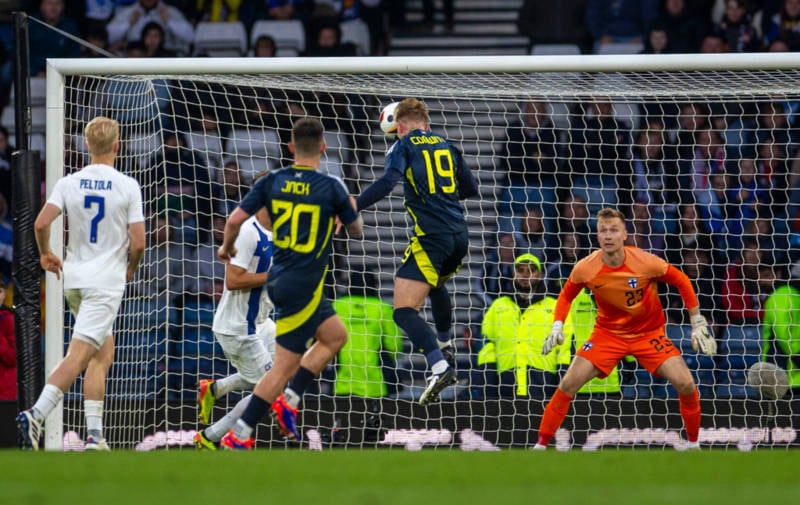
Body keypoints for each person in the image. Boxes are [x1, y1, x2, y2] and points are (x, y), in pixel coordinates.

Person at [217, 117, 362, 449]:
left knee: (335, 336)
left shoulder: (274, 181)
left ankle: (286, 402)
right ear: (323, 148)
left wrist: (226, 247)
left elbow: (235, 219)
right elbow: (357, 231)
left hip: (288, 281)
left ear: (290, 147)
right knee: (282, 369)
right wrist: (347, 207)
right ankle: (240, 433)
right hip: (302, 283)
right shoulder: (332, 186)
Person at [533, 208, 716, 450]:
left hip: (648, 335)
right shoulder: (586, 267)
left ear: (624, 234)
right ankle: (540, 446)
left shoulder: (645, 261)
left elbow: (681, 280)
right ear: (598, 236)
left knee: (686, 384)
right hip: (607, 335)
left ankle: (693, 444)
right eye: (603, 231)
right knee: (568, 384)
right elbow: (566, 295)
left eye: (613, 230)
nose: (608, 236)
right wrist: (557, 325)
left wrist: (697, 321)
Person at [16, 116, 145, 451]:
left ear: (86, 145)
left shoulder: (69, 182)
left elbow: (42, 221)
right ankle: (37, 413)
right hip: (105, 283)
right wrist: (130, 267)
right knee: (79, 354)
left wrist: (46, 253)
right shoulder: (127, 185)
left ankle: (95, 436)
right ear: (118, 145)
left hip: (74, 279)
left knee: (102, 353)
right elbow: (140, 242)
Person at [355, 97, 479, 406]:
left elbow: (388, 182)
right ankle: (446, 342)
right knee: (435, 283)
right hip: (459, 237)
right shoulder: (448, 146)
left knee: (403, 310)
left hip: (431, 236)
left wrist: (353, 205)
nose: (395, 136)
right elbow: (471, 189)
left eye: (394, 131)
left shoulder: (404, 144)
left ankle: (439, 366)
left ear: (401, 125)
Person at [194, 184, 277, 450]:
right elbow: (232, 280)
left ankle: (216, 388)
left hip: (261, 323)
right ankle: (211, 437)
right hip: (239, 329)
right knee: (269, 390)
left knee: (289, 365)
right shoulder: (247, 233)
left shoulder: (279, 231)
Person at [477, 253, 572, 399]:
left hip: (544, 383)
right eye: (520, 270)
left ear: (540, 275)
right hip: (505, 382)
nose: (525, 275)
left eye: (531, 270)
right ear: (513, 274)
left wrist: (563, 384)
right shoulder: (498, 306)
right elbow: (488, 346)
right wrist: (488, 384)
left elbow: (565, 349)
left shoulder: (555, 307)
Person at [332, 268, 404, 398]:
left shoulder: (337, 306)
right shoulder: (382, 307)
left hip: (342, 380)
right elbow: (394, 344)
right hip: (375, 382)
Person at [762, 274, 800, 398]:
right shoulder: (787, 294)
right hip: (788, 376)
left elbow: (784, 334)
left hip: (786, 376)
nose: (760, 279)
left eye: (764, 274)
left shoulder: (782, 294)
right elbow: (785, 334)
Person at [0, 277, 15, 401]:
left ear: (4, 294)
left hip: (4, 392)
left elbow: (12, 358)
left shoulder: (8, 318)